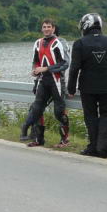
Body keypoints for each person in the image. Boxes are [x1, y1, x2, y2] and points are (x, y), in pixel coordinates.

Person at [66, 13, 107, 158]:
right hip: (106, 86)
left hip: (87, 86)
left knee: (90, 116)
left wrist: (71, 88)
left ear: (85, 25)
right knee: (106, 115)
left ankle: (93, 147)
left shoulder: (80, 43)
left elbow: (74, 68)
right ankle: (104, 149)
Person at [20, 19, 70, 148]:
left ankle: (64, 140)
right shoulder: (37, 43)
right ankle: (38, 139)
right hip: (43, 81)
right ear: (42, 29)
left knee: (59, 112)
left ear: (53, 28)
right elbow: (36, 61)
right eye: (44, 27)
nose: (46, 29)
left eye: (49, 27)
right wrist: (35, 70)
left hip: (57, 81)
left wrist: (46, 68)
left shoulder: (59, 43)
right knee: (37, 109)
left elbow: (65, 64)